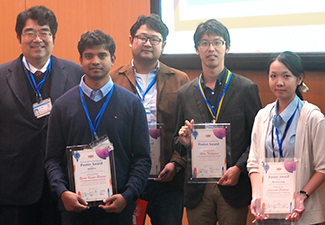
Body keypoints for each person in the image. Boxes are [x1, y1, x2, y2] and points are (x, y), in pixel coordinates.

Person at [44, 30, 151, 225]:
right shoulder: (62, 106)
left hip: (118, 210)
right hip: (74, 211)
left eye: (102, 55)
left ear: (113, 59)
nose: (95, 61)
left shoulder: (132, 104)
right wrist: (62, 192)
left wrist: (127, 196)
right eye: (88, 56)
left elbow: (142, 159)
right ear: (80, 60)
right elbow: (52, 159)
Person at [173, 19, 262, 225]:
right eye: (204, 43)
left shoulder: (245, 89)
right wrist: (184, 141)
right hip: (198, 189)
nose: (210, 48)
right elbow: (175, 141)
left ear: (227, 47)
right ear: (197, 49)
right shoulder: (185, 93)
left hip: (233, 184)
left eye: (217, 42)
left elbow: (258, 139)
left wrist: (239, 168)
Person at [0, 6, 83, 225]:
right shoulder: (0, 77)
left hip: (63, 186)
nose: (37, 39)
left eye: (44, 32)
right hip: (14, 186)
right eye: (30, 32)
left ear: (53, 37)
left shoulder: (76, 74)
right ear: (19, 37)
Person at [110, 14, 189, 225]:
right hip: (126, 177)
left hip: (167, 179)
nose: (147, 43)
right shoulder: (113, 78)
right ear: (130, 40)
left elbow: (187, 128)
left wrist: (176, 162)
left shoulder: (180, 79)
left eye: (154, 39)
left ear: (163, 44)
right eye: (142, 37)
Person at [247, 51, 325, 225]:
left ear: (299, 79)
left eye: (286, 76)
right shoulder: (262, 116)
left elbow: (323, 168)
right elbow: (253, 163)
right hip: (267, 213)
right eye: (273, 76)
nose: (279, 82)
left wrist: (302, 196)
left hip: (300, 213)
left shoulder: (313, 117)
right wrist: (257, 195)